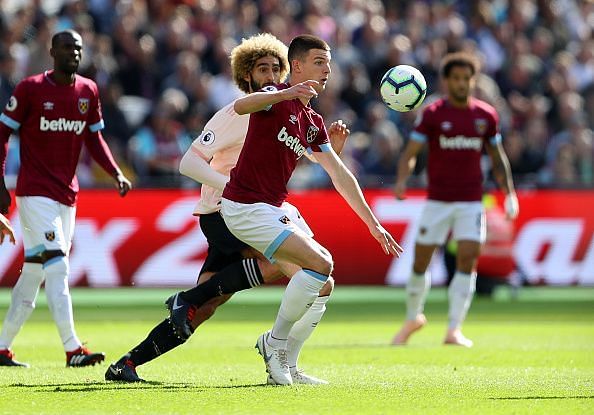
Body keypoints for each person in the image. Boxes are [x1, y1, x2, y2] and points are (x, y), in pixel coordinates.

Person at [105, 33, 347, 385]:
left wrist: (332, 151)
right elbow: (189, 162)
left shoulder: (283, 112)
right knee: (301, 269)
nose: (270, 76)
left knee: (200, 311)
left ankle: (127, 363)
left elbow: (299, 159)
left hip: (250, 210)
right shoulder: (239, 114)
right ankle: (277, 354)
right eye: (261, 69)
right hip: (225, 211)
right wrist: (233, 187)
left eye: (276, 69)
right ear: (245, 77)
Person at [167, 34, 403, 386]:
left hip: (272, 207)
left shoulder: (311, 121)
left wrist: (373, 224)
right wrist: (285, 93)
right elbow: (243, 107)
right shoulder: (271, 97)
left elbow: (339, 173)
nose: (327, 70)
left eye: (329, 63)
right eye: (320, 62)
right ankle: (273, 343)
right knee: (320, 264)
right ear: (298, 66)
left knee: (323, 283)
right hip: (243, 206)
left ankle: (288, 365)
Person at [0, 30, 131, 368]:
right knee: (58, 265)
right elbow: (1, 136)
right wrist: (0, 183)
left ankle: (1, 347)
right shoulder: (30, 88)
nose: (73, 52)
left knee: (34, 271)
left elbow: (94, 138)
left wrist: (115, 172)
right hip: (34, 193)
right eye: (66, 47)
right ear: (51, 51)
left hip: (67, 195)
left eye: (78, 48)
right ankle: (73, 349)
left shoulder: (88, 90)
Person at [391, 52, 519, 348]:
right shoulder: (433, 114)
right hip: (438, 200)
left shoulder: (485, 116)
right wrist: (401, 180)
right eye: (456, 78)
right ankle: (413, 317)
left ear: (472, 81)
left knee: (467, 260)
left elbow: (498, 158)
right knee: (421, 261)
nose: (462, 84)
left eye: (467, 79)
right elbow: (410, 154)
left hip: (472, 201)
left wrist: (509, 192)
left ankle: (454, 329)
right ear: (447, 82)